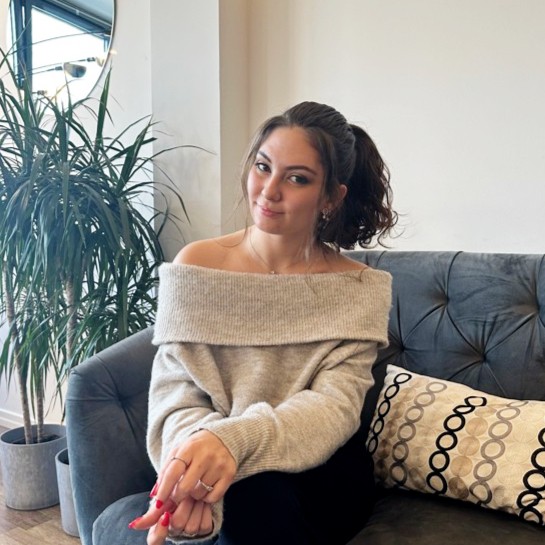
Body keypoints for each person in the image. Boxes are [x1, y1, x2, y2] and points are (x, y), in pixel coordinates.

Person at [129, 101, 398, 545]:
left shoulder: (358, 288)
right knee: (247, 496)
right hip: (214, 456)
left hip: (322, 471)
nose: (269, 191)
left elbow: (333, 408)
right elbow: (175, 392)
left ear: (331, 198)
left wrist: (231, 445)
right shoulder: (195, 265)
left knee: (255, 496)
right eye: (263, 166)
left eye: (297, 178)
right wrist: (196, 474)